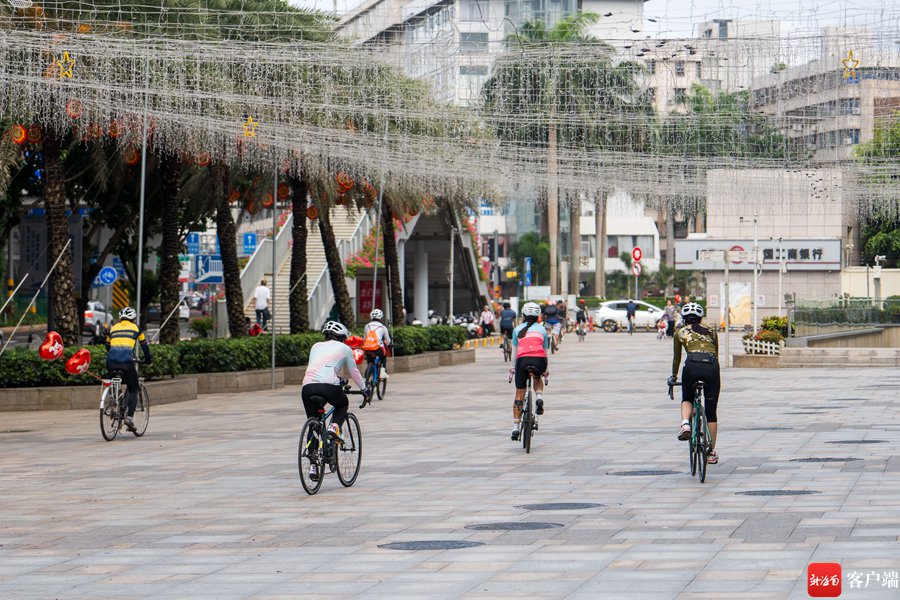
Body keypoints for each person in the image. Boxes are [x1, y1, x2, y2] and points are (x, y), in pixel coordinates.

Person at [301, 321, 368, 481]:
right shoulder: (345, 348)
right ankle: (334, 426)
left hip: (307, 387)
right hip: (329, 387)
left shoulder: (315, 346)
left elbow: (320, 368)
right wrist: (364, 389)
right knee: (342, 403)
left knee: (314, 424)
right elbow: (354, 372)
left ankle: (313, 466)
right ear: (342, 338)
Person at [669, 302, 721, 464]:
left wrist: (673, 376)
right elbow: (716, 354)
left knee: (687, 398)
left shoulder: (680, 332)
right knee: (711, 413)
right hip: (712, 367)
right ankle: (711, 452)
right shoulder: (711, 331)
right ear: (700, 318)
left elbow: (677, 358)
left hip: (691, 366)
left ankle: (685, 424)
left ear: (685, 319)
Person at [104, 307, 152, 431]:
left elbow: (108, 346)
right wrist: (147, 359)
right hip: (126, 362)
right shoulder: (136, 328)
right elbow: (144, 346)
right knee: (133, 388)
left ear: (120, 318)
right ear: (133, 318)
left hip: (111, 362)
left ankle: (113, 401)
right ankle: (129, 419)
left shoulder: (113, 328)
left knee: (115, 381)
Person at [510, 302, 549, 441]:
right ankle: (539, 398)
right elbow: (544, 351)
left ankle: (515, 428)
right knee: (537, 377)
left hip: (522, 361)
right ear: (538, 316)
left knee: (519, 393)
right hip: (539, 360)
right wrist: (546, 370)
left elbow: (514, 352)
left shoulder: (517, 330)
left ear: (524, 315)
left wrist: (513, 368)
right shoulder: (542, 330)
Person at [361, 308, 392, 380]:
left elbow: (364, 339)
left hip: (367, 348)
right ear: (380, 317)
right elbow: (388, 341)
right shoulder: (383, 327)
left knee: (370, 362)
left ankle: (366, 379)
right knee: (383, 355)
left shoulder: (367, 326)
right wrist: (388, 344)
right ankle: (382, 372)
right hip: (378, 348)